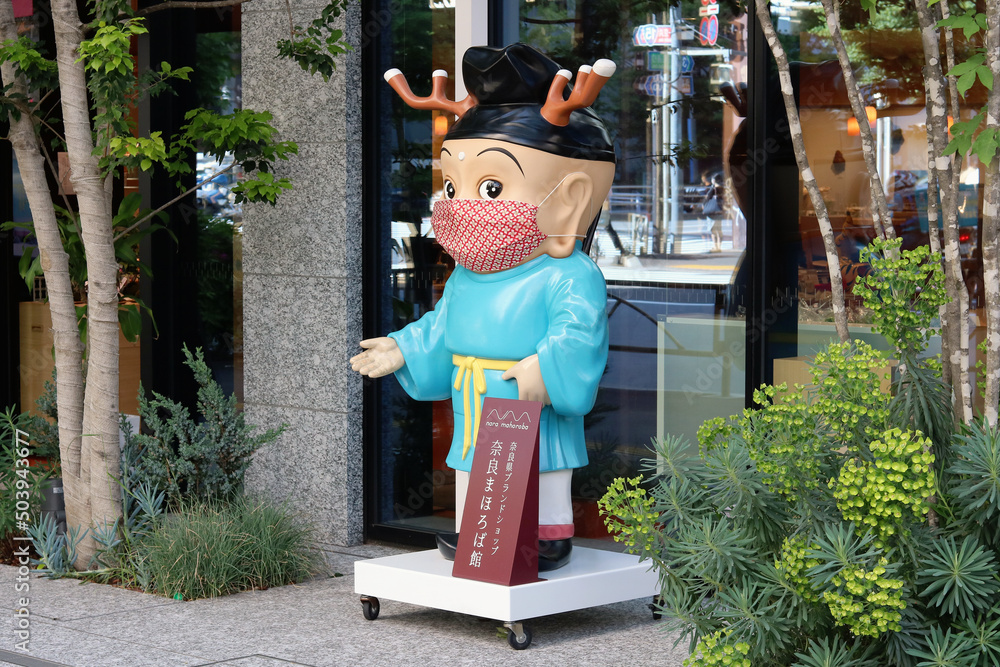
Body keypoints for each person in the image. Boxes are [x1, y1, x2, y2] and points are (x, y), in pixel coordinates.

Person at [350, 44, 616, 571]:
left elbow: (578, 336)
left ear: (569, 200)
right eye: (452, 185)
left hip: (527, 396)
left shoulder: (568, 274)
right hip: (475, 394)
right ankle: (479, 535)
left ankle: (546, 536)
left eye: (490, 188)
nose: (460, 205)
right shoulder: (469, 274)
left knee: (541, 467)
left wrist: (543, 372)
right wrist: (405, 347)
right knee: (475, 463)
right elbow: (443, 326)